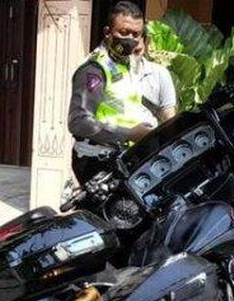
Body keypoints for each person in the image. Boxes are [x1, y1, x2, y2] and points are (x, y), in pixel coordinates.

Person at [67, 1, 153, 184]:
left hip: (120, 156)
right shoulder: (95, 70)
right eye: (124, 32)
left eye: (136, 34)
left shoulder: (126, 64)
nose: (130, 39)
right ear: (107, 32)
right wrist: (129, 134)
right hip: (96, 159)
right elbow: (78, 122)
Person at [134, 30, 177, 124]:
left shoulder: (160, 73)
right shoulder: (106, 72)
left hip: (152, 132)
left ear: (145, 43)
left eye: (137, 51)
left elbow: (168, 115)